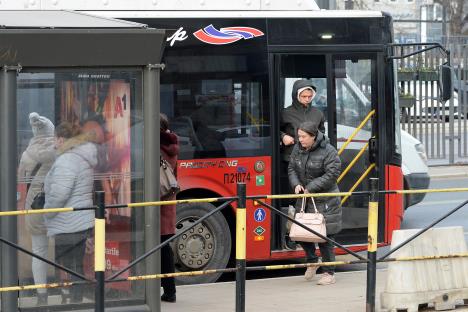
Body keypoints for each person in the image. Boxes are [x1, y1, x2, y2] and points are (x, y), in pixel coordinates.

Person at [43, 121, 97, 303]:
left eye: (55, 139)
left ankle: (75, 300)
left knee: (70, 264)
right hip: (80, 220)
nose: (53, 143)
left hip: (68, 222)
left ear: (61, 139)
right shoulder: (80, 157)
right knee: (76, 264)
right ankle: (76, 299)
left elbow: (59, 194)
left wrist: (47, 211)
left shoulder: (67, 160)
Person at [288, 121, 342, 286]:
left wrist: (311, 186)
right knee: (300, 233)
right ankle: (312, 260)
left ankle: (329, 273)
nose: (300, 140)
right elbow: (291, 168)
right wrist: (296, 183)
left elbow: (333, 172)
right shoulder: (298, 148)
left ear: (313, 136)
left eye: (304, 137)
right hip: (305, 199)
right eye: (299, 136)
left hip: (325, 200)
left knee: (325, 237)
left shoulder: (328, 150)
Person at [18, 113, 56, 306]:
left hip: (34, 207)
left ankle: (42, 295)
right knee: (66, 247)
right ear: (51, 131)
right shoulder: (58, 152)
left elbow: (20, 181)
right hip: (59, 207)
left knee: (39, 250)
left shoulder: (26, 155)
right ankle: (72, 288)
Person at [280, 79, 326, 162]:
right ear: (296, 95)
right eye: (304, 96)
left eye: (310, 96)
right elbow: (273, 131)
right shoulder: (285, 113)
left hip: (313, 159)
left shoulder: (318, 113)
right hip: (291, 158)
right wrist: (283, 136)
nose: (307, 99)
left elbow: (321, 133)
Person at [160, 113, 179, 303]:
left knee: (156, 248)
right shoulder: (172, 145)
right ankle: (170, 290)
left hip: (155, 202)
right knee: (165, 248)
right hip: (168, 201)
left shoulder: (155, 144)